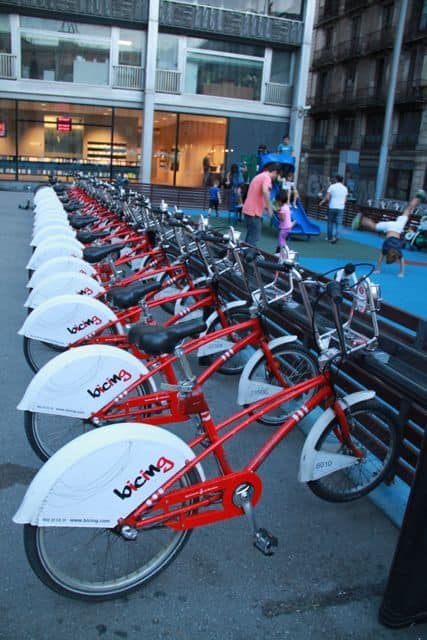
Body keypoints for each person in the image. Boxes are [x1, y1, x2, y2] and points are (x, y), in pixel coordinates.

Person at [351, 189, 427, 277]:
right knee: (375, 226)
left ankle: (418, 196)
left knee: (408, 210)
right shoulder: (387, 248)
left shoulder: (397, 251)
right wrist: (378, 269)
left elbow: (402, 261)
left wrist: (401, 272)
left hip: (398, 226)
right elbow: (381, 258)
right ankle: (361, 220)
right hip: (390, 227)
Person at [242, 162, 280, 246]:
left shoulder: (259, 176)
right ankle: (248, 253)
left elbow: (258, 195)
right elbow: (265, 191)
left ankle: (244, 252)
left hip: (249, 209)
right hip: (253, 212)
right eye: (277, 175)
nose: (276, 177)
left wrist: (267, 207)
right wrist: (269, 208)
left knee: (250, 235)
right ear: (274, 172)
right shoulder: (267, 178)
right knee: (254, 236)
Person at [319, 174, 348, 243]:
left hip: (332, 206)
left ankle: (329, 237)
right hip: (340, 207)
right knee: (339, 223)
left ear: (336, 179)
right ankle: (337, 236)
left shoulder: (332, 186)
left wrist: (322, 202)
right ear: (342, 180)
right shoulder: (345, 188)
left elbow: (327, 197)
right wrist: (342, 204)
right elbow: (345, 200)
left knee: (330, 222)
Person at [275, 188, 295, 254]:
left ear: (280, 201)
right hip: (288, 227)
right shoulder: (286, 206)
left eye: (277, 201)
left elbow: (282, 219)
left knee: (281, 239)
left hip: (284, 228)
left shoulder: (282, 209)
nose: (276, 202)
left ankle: (283, 252)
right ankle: (280, 250)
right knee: (282, 239)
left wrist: (278, 214)